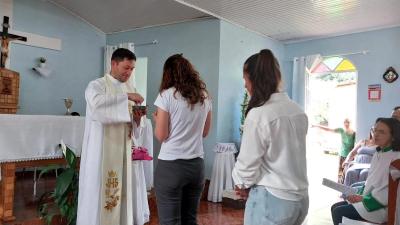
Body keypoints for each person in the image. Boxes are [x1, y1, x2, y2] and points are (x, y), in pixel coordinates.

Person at [232, 49, 309, 225]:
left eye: (246, 80)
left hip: (273, 200)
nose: (245, 85)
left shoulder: (259, 114)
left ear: (255, 80)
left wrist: (241, 184)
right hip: (300, 200)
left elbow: (247, 163)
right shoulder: (297, 110)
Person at [77, 48, 145, 225]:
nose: (129, 72)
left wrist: (137, 119)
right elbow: (97, 105)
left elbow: (133, 126)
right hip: (101, 150)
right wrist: (127, 96)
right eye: (126, 68)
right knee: (100, 191)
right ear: (113, 63)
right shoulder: (96, 85)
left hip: (124, 151)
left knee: (124, 193)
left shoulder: (130, 87)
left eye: (132, 69)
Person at [153, 54, 212, 225]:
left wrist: (157, 120)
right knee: (190, 220)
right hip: (196, 167)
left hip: (171, 167)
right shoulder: (204, 96)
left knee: (170, 222)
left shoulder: (167, 95)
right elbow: (205, 132)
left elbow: (161, 135)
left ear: (168, 74)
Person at [331, 117, 400, 225]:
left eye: (381, 132)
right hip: (371, 199)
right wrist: (359, 194)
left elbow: (391, 192)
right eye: (374, 130)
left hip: (382, 207)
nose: (375, 134)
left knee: (338, 212)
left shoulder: (396, 159)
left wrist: (363, 199)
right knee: (335, 207)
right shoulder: (379, 152)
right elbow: (371, 180)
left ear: (393, 136)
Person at [312, 118, 356, 183]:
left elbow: (355, 147)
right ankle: (340, 189)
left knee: (348, 175)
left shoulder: (354, 133)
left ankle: (348, 190)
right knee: (340, 175)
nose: (346, 124)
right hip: (342, 155)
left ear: (350, 123)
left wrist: (353, 156)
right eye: (345, 122)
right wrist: (317, 126)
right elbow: (329, 129)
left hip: (350, 157)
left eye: (348, 122)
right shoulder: (341, 130)